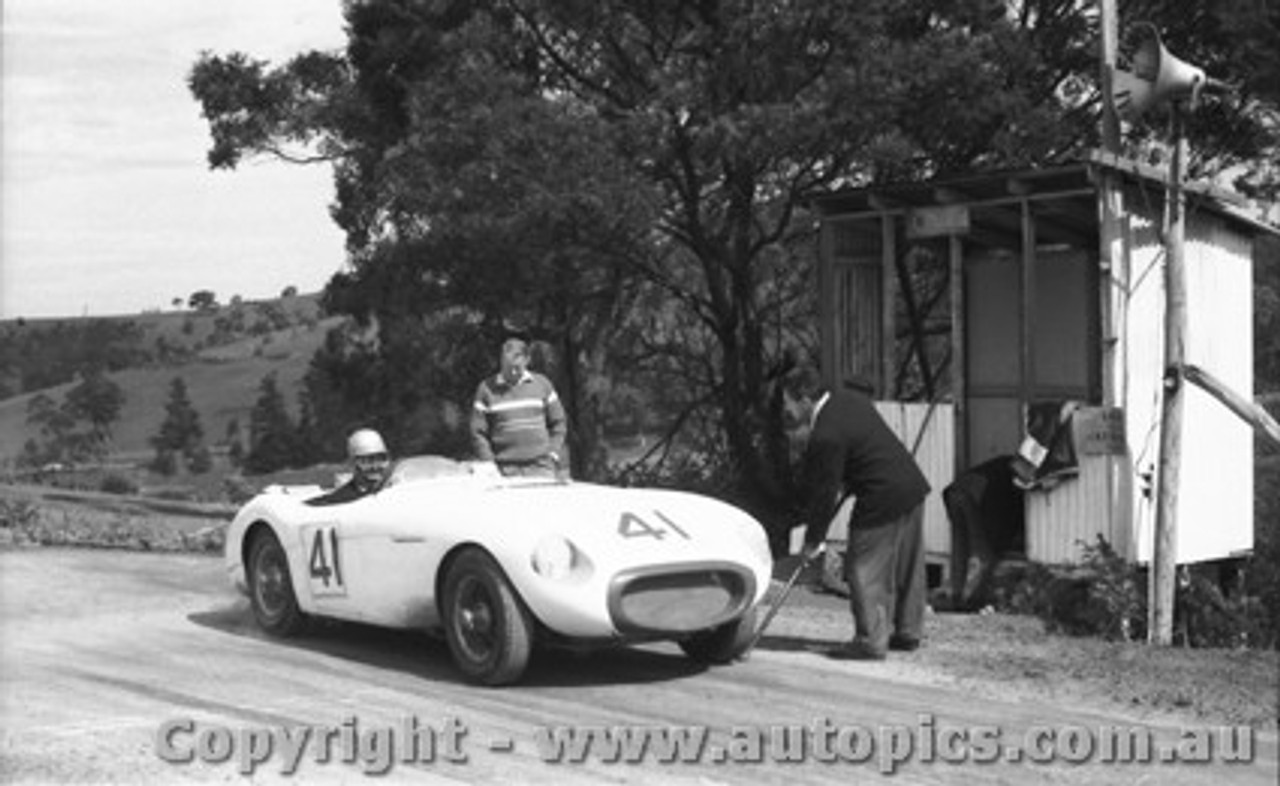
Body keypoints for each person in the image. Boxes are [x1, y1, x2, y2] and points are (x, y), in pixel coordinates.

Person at [786, 368, 931, 660]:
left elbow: (824, 495)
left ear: (803, 399)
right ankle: (907, 632)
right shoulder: (847, 400)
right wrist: (852, 478)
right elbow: (861, 449)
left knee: (864, 568)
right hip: (911, 486)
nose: (785, 409)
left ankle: (870, 641)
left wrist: (813, 541)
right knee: (907, 565)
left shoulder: (825, 434)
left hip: (882, 495)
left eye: (787, 402)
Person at [471, 337, 567, 477]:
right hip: (504, 470)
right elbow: (477, 431)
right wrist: (488, 461)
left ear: (527, 361)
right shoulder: (486, 389)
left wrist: (553, 452)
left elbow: (559, 422)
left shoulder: (542, 384)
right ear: (501, 361)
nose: (513, 372)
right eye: (508, 368)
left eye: (517, 367)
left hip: (541, 467)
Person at [942, 454, 1025, 611]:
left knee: (959, 548)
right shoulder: (1015, 482)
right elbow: (1001, 519)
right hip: (974, 496)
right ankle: (971, 600)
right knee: (982, 553)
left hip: (954, 491)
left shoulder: (1004, 464)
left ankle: (955, 596)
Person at [307, 428, 391, 506]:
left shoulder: (395, 489)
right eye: (366, 462)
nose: (375, 467)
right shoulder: (339, 500)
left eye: (381, 459)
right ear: (352, 463)